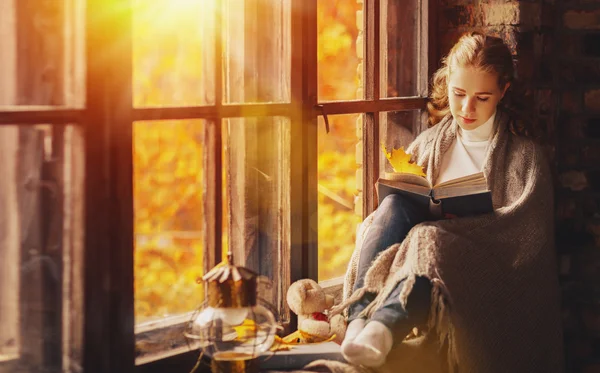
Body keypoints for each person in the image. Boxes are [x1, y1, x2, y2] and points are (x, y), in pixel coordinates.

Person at [331, 32, 564, 372]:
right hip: (415, 255)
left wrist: (453, 230)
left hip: (476, 266)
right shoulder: (427, 144)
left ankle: (382, 329)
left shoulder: (525, 158)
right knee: (393, 209)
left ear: (503, 92)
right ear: (447, 85)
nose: (467, 109)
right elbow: (389, 218)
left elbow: (527, 241)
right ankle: (358, 322)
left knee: (429, 237)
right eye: (458, 94)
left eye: (482, 97)